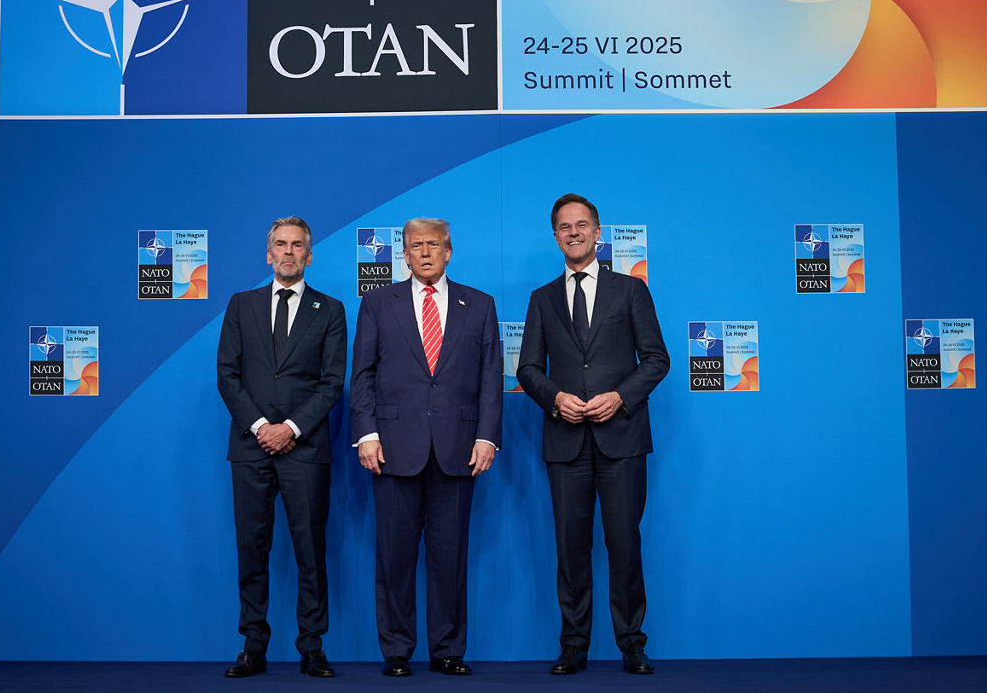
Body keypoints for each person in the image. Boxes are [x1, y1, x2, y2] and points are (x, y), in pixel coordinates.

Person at [517, 194, 670, 676]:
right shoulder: (542, 298)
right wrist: (555, 398)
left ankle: (632, 645)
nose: (574, 232)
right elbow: (527, 368)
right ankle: (573, 646)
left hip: (621, 438)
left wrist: (620, 397)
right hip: (566, 442)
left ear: (598, 233)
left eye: (582, 225)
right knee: (570, 549)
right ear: (555, 236)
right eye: (565, 227)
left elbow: (657, 359)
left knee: (624, 545)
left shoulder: (631, 290)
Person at [350, 217, 502, 677]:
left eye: (433, 245)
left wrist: (487, 436)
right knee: (394, 557)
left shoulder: (479, 304)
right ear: (404, 254)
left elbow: (490, 377)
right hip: (393, 449)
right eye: (415, 246)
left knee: (449, 556)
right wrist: (367, 434)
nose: (425, 252)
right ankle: (397, 650)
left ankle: (448, 650)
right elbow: (363, 375)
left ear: (448, 251)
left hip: (458, 449)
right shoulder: (378, 303)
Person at [216, 217, 347, 679]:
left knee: (310, 550)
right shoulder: (241, 305)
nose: (288, 251)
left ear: (309, 255)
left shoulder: (330, 310)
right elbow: (227, 375)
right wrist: (260, 427)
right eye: (280, 244)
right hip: (250, 448)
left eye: (296, 245)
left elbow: (332, 383)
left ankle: (312, 646)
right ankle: (252, 646)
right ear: (268, 253)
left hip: (304, 449)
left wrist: (290, 428)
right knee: (252, 549)